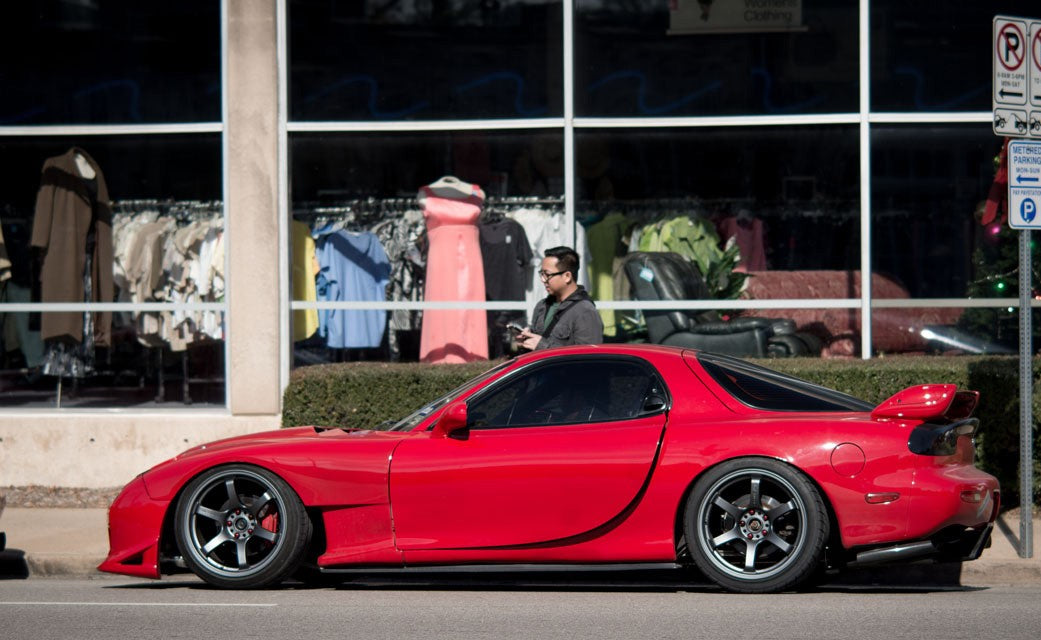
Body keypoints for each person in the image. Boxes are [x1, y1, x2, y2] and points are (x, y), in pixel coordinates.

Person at [516, 246, 603, 350]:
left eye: (547, 275)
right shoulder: (542, 305)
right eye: (541, 274)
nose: (543, 280)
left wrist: (542, 346)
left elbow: (588, 355)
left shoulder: (585, 311)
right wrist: (526, 340)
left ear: (567, 276)